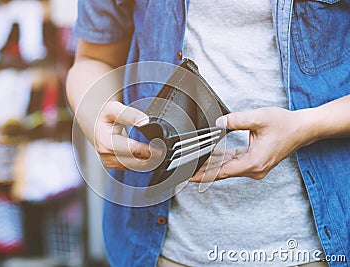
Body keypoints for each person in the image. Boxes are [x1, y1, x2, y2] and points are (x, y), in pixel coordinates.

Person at [67, 0, 350, 266]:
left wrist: (305, 126)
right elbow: (93, 58)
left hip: (316, 248)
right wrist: (97, 119)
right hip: (162, 248)